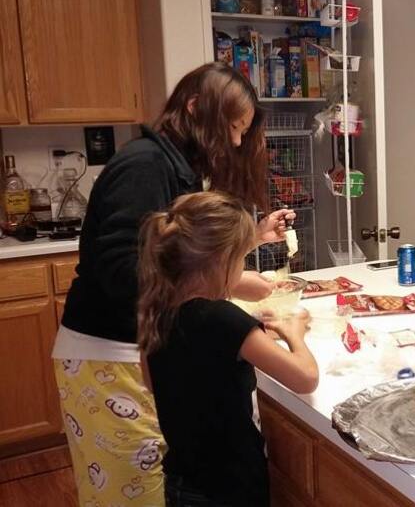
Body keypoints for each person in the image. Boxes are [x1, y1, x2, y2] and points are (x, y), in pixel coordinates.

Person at [51, 63, 294, 505]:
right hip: (108, 354)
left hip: (137, 348)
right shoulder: (145, 165)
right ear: (196, 107)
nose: (237, 142)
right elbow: (122, 268)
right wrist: (233, 285)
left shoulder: (173, 164)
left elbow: (173, 252)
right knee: (133, 495)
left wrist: (247, 243)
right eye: (233, 128)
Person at [137, 192, 318, 507]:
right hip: (232, 487)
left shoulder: (156, 311)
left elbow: (154, 383)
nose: (242, 270)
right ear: (221, 262)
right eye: (240, 260)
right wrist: (294, 334)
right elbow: (305, 378)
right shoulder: (224, 319)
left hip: (182, 482)